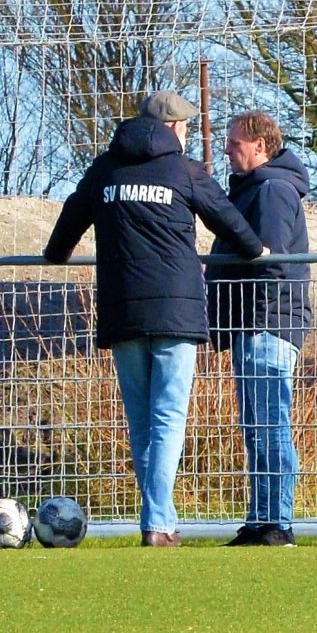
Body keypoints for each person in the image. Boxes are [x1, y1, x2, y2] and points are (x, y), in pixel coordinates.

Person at [43, 91, 266, 547]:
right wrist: (256, 250)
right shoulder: (185, 171)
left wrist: (55, 255)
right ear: (175, 128)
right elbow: (227, 220)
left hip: (122, 310)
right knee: (168, 419)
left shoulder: (105, 169)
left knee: (142, 422)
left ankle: (158, 519)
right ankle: (158, 523)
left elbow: (70, 217)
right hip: (177, 311)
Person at [206, 111, 312, 548]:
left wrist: (251, 318)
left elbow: (271, 260)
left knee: (269, 422)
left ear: (261, 146)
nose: (228, 150)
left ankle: (277, 523)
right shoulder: (259, 189)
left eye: (235, 143)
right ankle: (261, 519)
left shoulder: (270, 191)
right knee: (259, 425)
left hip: (265, 325)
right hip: (256, 324)